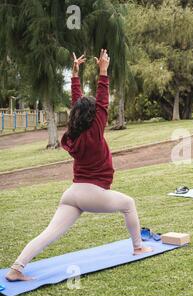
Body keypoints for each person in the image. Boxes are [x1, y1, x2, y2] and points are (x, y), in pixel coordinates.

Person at [5, 50, 152, 282]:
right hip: (91, 193)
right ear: (95, 116)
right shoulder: (94, 131)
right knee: (128, 204)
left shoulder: (75, 133)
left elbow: (79, 105)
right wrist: (103, 71)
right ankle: (138, 247)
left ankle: (17, 268)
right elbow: (102, 102)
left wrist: (75, 76)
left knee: (49, 234)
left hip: (72, 193)